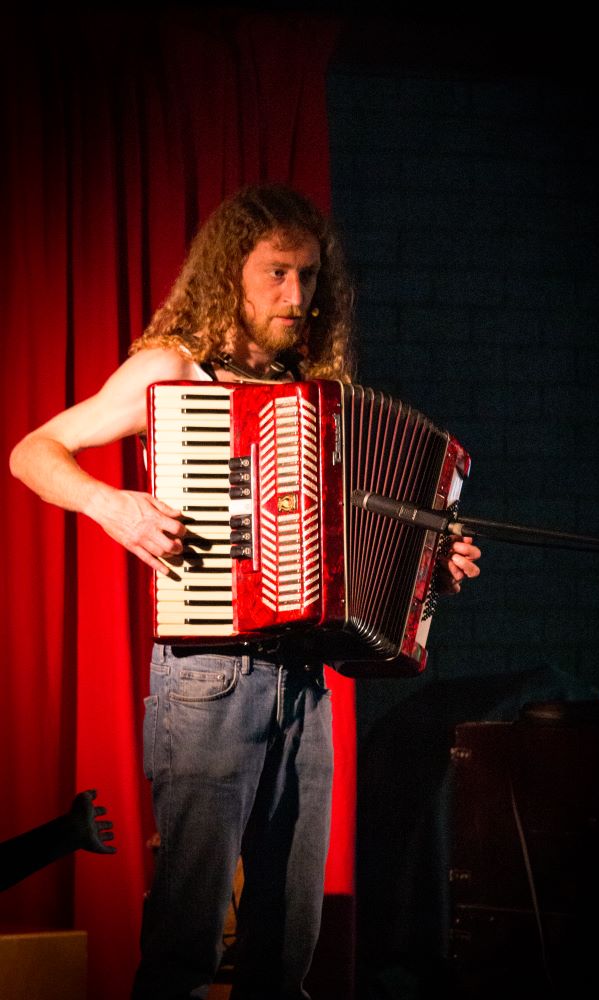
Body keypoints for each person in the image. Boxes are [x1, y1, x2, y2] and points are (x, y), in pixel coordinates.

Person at [9, 183, 481, 999]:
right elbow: (33, 450)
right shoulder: (174, 369)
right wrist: (107, 502)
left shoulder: (319, 397)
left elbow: (351, 548)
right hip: (207, 676)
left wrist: (426, 565)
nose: (295, 297)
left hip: (306, 682)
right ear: (229, 272)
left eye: (307, 277)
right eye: (275, 275)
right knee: (188, 945)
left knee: (287, 949)